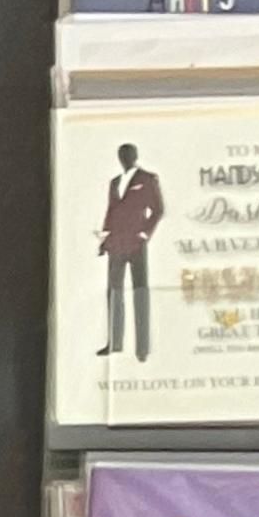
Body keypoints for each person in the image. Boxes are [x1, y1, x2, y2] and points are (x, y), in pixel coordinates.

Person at [99, 140, 164, 361]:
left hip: (137, 245)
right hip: (116, 244)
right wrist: (104, 240)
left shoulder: (147, 179)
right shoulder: (114, 182)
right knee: (114, 292)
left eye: (127, 155)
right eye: (121, 155)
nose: (124, 159)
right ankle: (114, 342)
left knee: (140, 292)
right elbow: (111, 213)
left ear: (134, 156)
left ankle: (142, 348)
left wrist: (144, 234)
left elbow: (157, 210)